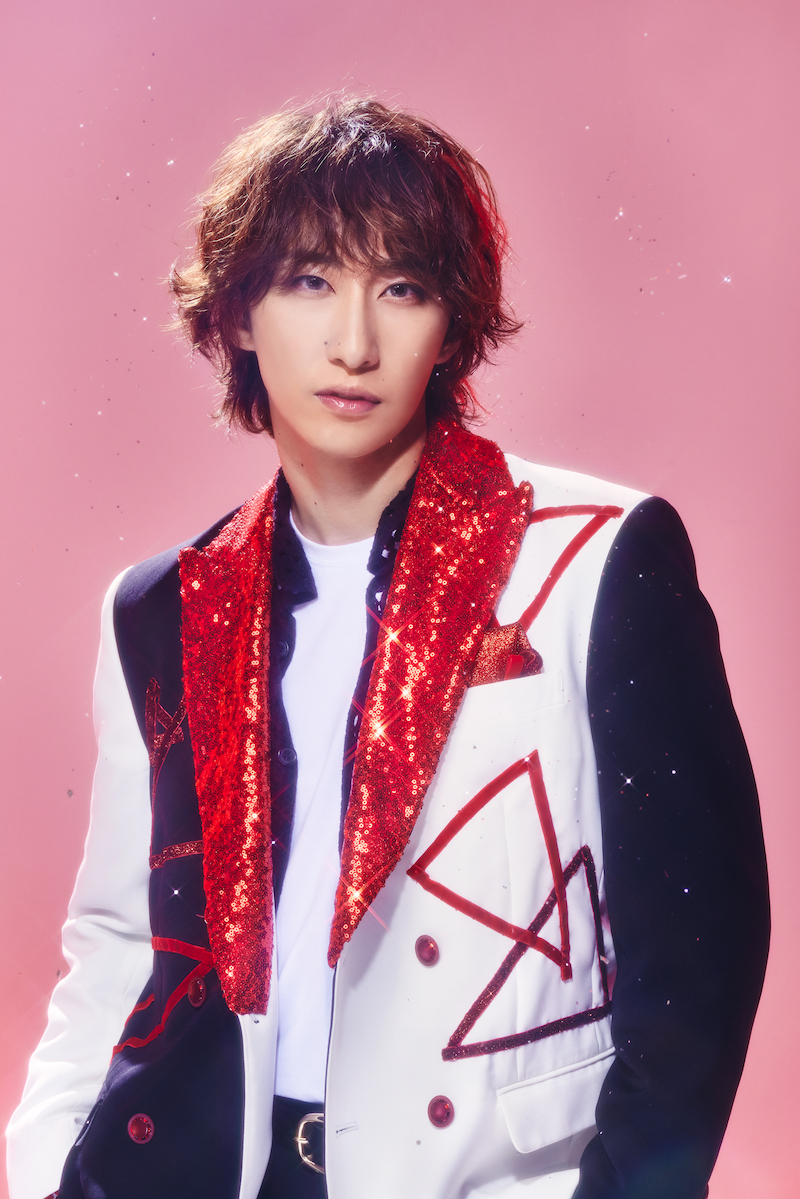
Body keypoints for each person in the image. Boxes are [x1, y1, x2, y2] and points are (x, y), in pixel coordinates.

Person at [6, 98, 769, 1199]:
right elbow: (119, 942)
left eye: (401, 287)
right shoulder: (162, 606)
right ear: (238, 313)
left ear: (451, 325)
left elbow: (698, 961)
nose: (354, 343)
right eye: (309, 281)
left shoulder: (599, 557)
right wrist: (44, 1171)